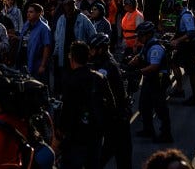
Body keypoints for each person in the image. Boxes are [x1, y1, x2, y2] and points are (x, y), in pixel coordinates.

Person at [59, 41, 116, 169]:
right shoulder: (100, 78)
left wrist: (60, 134)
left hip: (76, 137)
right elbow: (111, 105)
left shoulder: (71, 80)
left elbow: (67, 111)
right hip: (96, 134)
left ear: (72, 58)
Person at [88, 34, 132, 169]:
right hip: (113, 114)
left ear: (101, 49)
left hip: (116, 115)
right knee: (113, 149)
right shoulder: (103, 61)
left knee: (116, 151)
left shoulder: (106, 67)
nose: (91, 52)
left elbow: (96, 90)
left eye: (93, 49)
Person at [130, 21, 173, 143]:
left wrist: (138, 72)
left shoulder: (155, 47)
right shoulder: (147, 45)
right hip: (150, 78)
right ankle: (148, 129)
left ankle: (166, 134)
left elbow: (154, 66)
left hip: (158, 79)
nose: (138, 37)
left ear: (148, 34)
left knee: (160, 107)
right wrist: (128, 64)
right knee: (144, 105)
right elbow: (140, 57)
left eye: (140, 35)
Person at [53, 0, 96, 95]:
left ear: (74, 5)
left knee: (78, 80)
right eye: (66, 5)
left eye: (70, 4)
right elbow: (57, 38)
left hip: (78, 55)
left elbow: (93, 34)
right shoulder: (61, 19)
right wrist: (55, 53)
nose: (68, 7)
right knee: (65, 80)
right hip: (64, 55)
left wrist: (88, 50)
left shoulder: (82, 18)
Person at [169, 0, 195, 106]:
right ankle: (179, 89)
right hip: (185, 45)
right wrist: (172, 39)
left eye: (173, 10)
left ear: (178, 7)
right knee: (174, 63)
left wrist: (177, 40)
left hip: (190, 46)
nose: (172, 12)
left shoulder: (186, 15)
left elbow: (191, 33)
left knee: (191, 72)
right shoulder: (181, 14)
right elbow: (179, 31)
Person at [16, 3, 52, 83]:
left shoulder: (44, 28)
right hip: (23, 60)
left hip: (36, 62)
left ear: (38, 13)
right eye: (28, 12)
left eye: (31, 12)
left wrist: (42, 65)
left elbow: (47, 47)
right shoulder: (26, 25)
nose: (28, 14)